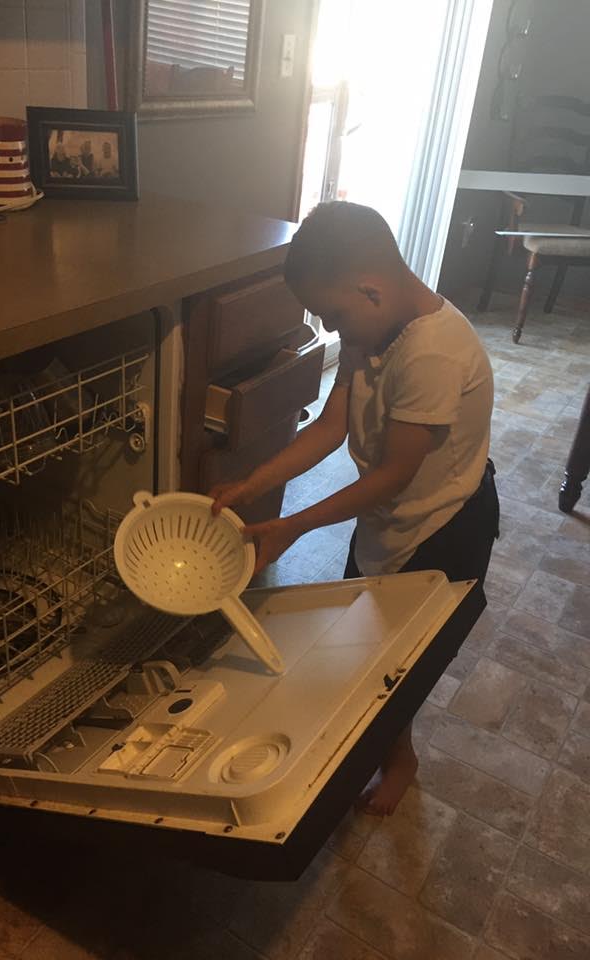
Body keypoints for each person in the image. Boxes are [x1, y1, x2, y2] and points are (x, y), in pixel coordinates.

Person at [211, 201, 498, 817]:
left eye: (336, 314)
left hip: (445, 528)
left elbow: (393, 476)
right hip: (389, 523)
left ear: (370, 288)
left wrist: (292, 526)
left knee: (401, 666)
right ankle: (394, 753)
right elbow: (331, 429)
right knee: (370, 653)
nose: (337, 331)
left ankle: (398, 760)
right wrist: (248, 484)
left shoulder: (433, 354)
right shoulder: (374, 328)